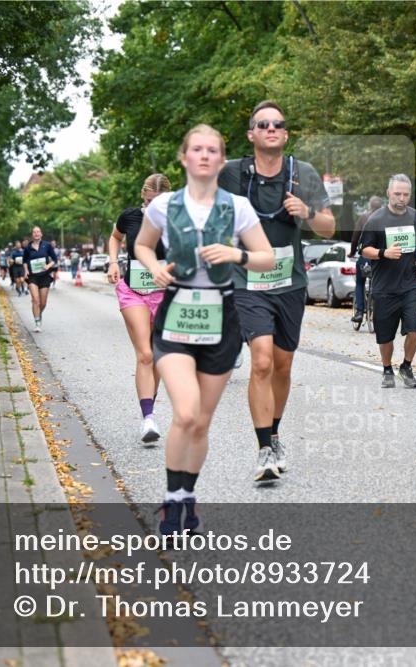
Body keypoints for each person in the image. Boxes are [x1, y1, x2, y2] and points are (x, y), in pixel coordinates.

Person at [134, 124, 274, 535]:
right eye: (197, 149)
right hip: (176, 315)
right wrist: (154, 267)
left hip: (221, 317)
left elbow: (266, 257)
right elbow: (142, 245)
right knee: (186, 412)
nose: (205, 155)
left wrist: (236, 254)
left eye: (213, 150)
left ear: (221, 159)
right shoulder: (164, 206)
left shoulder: (238, 207)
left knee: (201, 422)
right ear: (185, 157)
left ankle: (187, 495)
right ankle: (171, 501)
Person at [217, 100, 335, 483]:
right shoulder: (231, 174)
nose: (271, 128)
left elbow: (330, 228)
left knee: (283, 365)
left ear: (285, 134)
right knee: (262, 361)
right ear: (251, 134)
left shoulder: (303, 173)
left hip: (290, 282)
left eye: (278, 124)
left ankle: (276, 433)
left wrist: (307, 212)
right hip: (248, 281)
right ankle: (263, 448)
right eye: (263, 124)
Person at [107, 173, 173, 444]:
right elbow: (115, 237)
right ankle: (148, 419)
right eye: (148, 201)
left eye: (158, 202)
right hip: (133, 289)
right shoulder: (130, 216)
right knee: (145, 354)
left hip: (165, 292)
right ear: (143, 195)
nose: (151, 207)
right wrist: (113, 262)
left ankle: (150, 411)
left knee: (157, 355)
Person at [359, 174, 416, 389]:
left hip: (411, 285)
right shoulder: (376, 220)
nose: (402, 198)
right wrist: (383, 253)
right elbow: (364, 250)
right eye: (397, 194)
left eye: (406, 194)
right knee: (385, 337)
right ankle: (387, 369)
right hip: (384, 287)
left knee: (415, 328)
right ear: (388, 193)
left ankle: (406, 366)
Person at [350, 196, 384, 323]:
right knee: (380, 282)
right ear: (381, 206)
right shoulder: (386, 218)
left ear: (370, 205)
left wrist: (352, 252)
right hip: (381, 258)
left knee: (360, 282)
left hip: (365, 258)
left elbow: (355, 237)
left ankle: (359, 312)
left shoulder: (364, 218)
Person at [23, 226, 58, 332]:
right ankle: (37, 322)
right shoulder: (28, 247)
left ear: (41, 234)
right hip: (32, 276)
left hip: (44, 276)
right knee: (36, 300)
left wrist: (48, 266)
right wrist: (26, 270)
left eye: (38, 232)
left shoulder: (47, 245)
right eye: (34, 232)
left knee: (43, 303)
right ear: (32, 235)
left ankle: (38, 313)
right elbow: (24, 261)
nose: (36, 233)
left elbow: (55, 259)